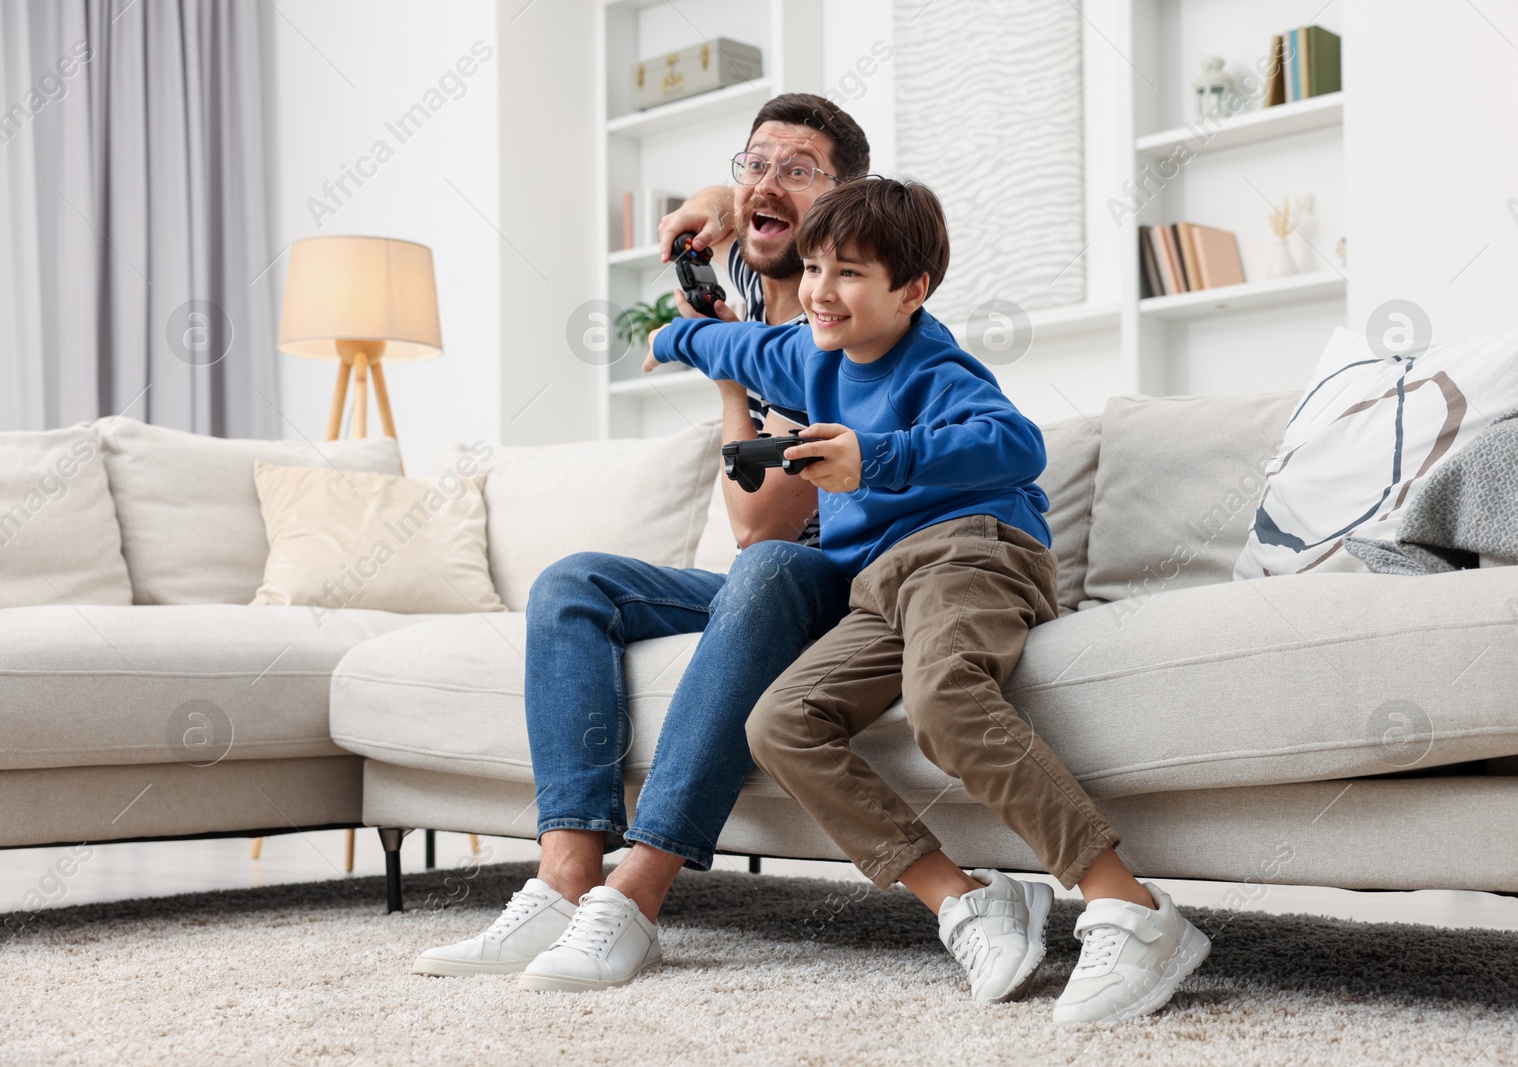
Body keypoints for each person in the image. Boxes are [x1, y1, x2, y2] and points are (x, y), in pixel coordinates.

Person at [641, 176, 1211, 1022]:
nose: (822, 292)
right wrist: (681, 336)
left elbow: (1013, 445)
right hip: (879, 587)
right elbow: (740, 353)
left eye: (850, 274)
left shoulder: (935, 363)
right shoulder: (808, 351)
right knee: (779, 722)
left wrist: (876, 461)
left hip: (970, 551)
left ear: (912, 289)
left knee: (942, 702)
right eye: (814, 269)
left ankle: (1129, 907)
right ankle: (961, 898)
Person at [409, 94, 873, 991]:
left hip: (848, 585)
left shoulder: (844, 311)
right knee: (572, 583)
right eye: (756, 162)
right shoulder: (748, 266)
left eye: (798, 169)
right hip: (762, 587)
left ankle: (635, 897)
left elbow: (759, 524)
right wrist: (714, 200)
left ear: (847, 202)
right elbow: (727, 203)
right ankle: (566, 878)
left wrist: (727, 359)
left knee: (769, 564)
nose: (767, 182)